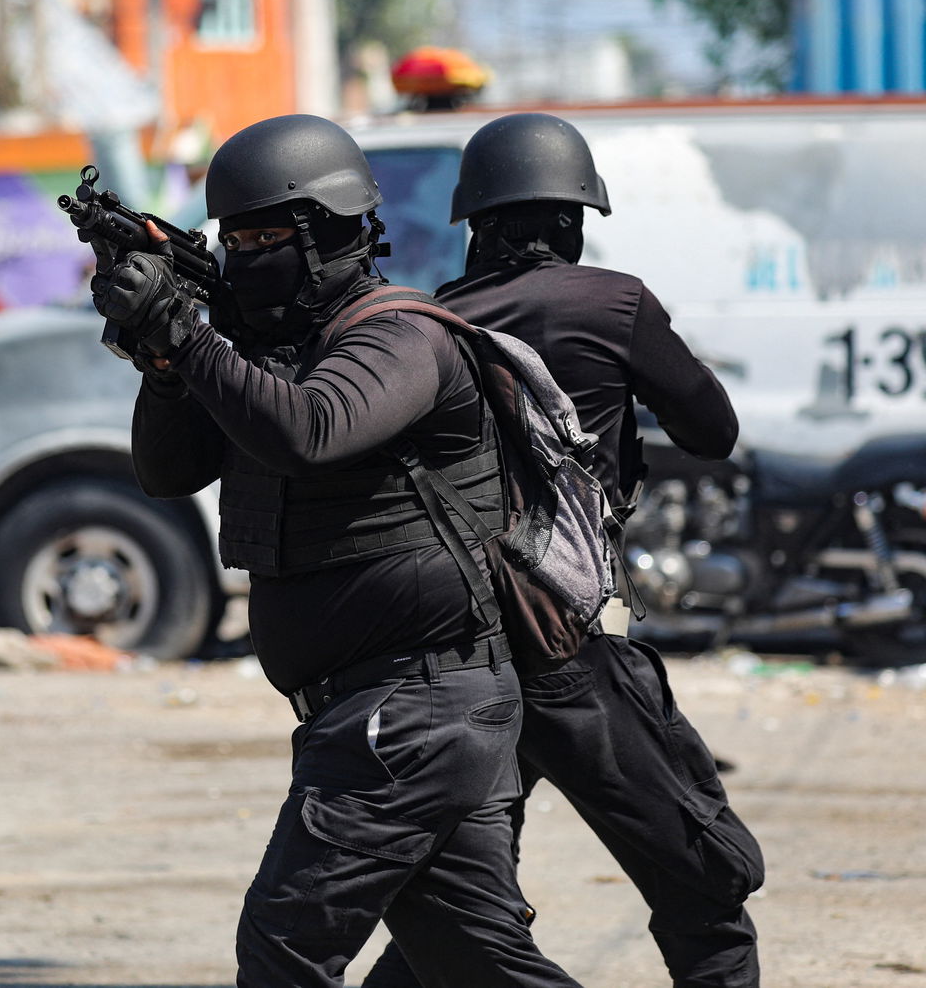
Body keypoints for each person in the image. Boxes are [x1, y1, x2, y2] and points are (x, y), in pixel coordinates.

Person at [91, 113, 582, 988]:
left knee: (284, 950)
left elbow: (311, 431)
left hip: (411, 711)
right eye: (231, 240)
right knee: (475, 964)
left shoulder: (401, 337)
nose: (244, 256)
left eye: (264, 237)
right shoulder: (266, 355)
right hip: (393, 712)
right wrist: (165, 361)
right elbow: (169, 473)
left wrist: (189, 333)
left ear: (330, 232)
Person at [365, 112, 765, 988]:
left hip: (459, 659)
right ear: (574, 221)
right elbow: (714, 431)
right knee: (706, 889)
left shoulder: (435, 323)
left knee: (458, 914)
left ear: (476, 222)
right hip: (572, 655)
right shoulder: (613, 302)